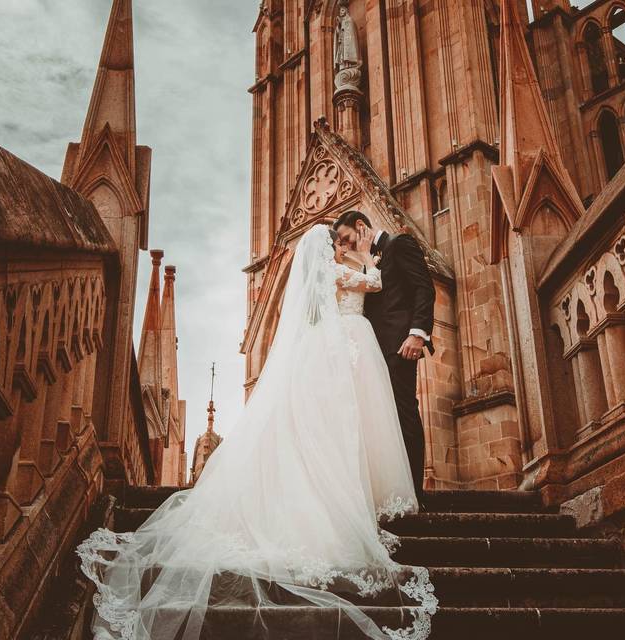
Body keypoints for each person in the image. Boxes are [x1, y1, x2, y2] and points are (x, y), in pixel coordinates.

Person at [76, 224, 437, 640]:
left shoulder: (343, 267)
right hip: (348, 348)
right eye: (337, 243)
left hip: (354, 349)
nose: (343, 246)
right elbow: (373, 283)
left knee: (346, 427)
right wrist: (367, 260)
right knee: (337, 428)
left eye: (345, 240)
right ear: (327, 248)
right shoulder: (340, 271)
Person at [333, 211, 436, 508]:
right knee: (383, 422)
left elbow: (423, 288)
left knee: (404, 415)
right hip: (372, 354)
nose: (346, 246)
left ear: (361, 227)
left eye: (347, 239)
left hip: (399, 346)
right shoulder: (367, 258)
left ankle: (414, 492)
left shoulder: (398, 244)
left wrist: (417, 334)